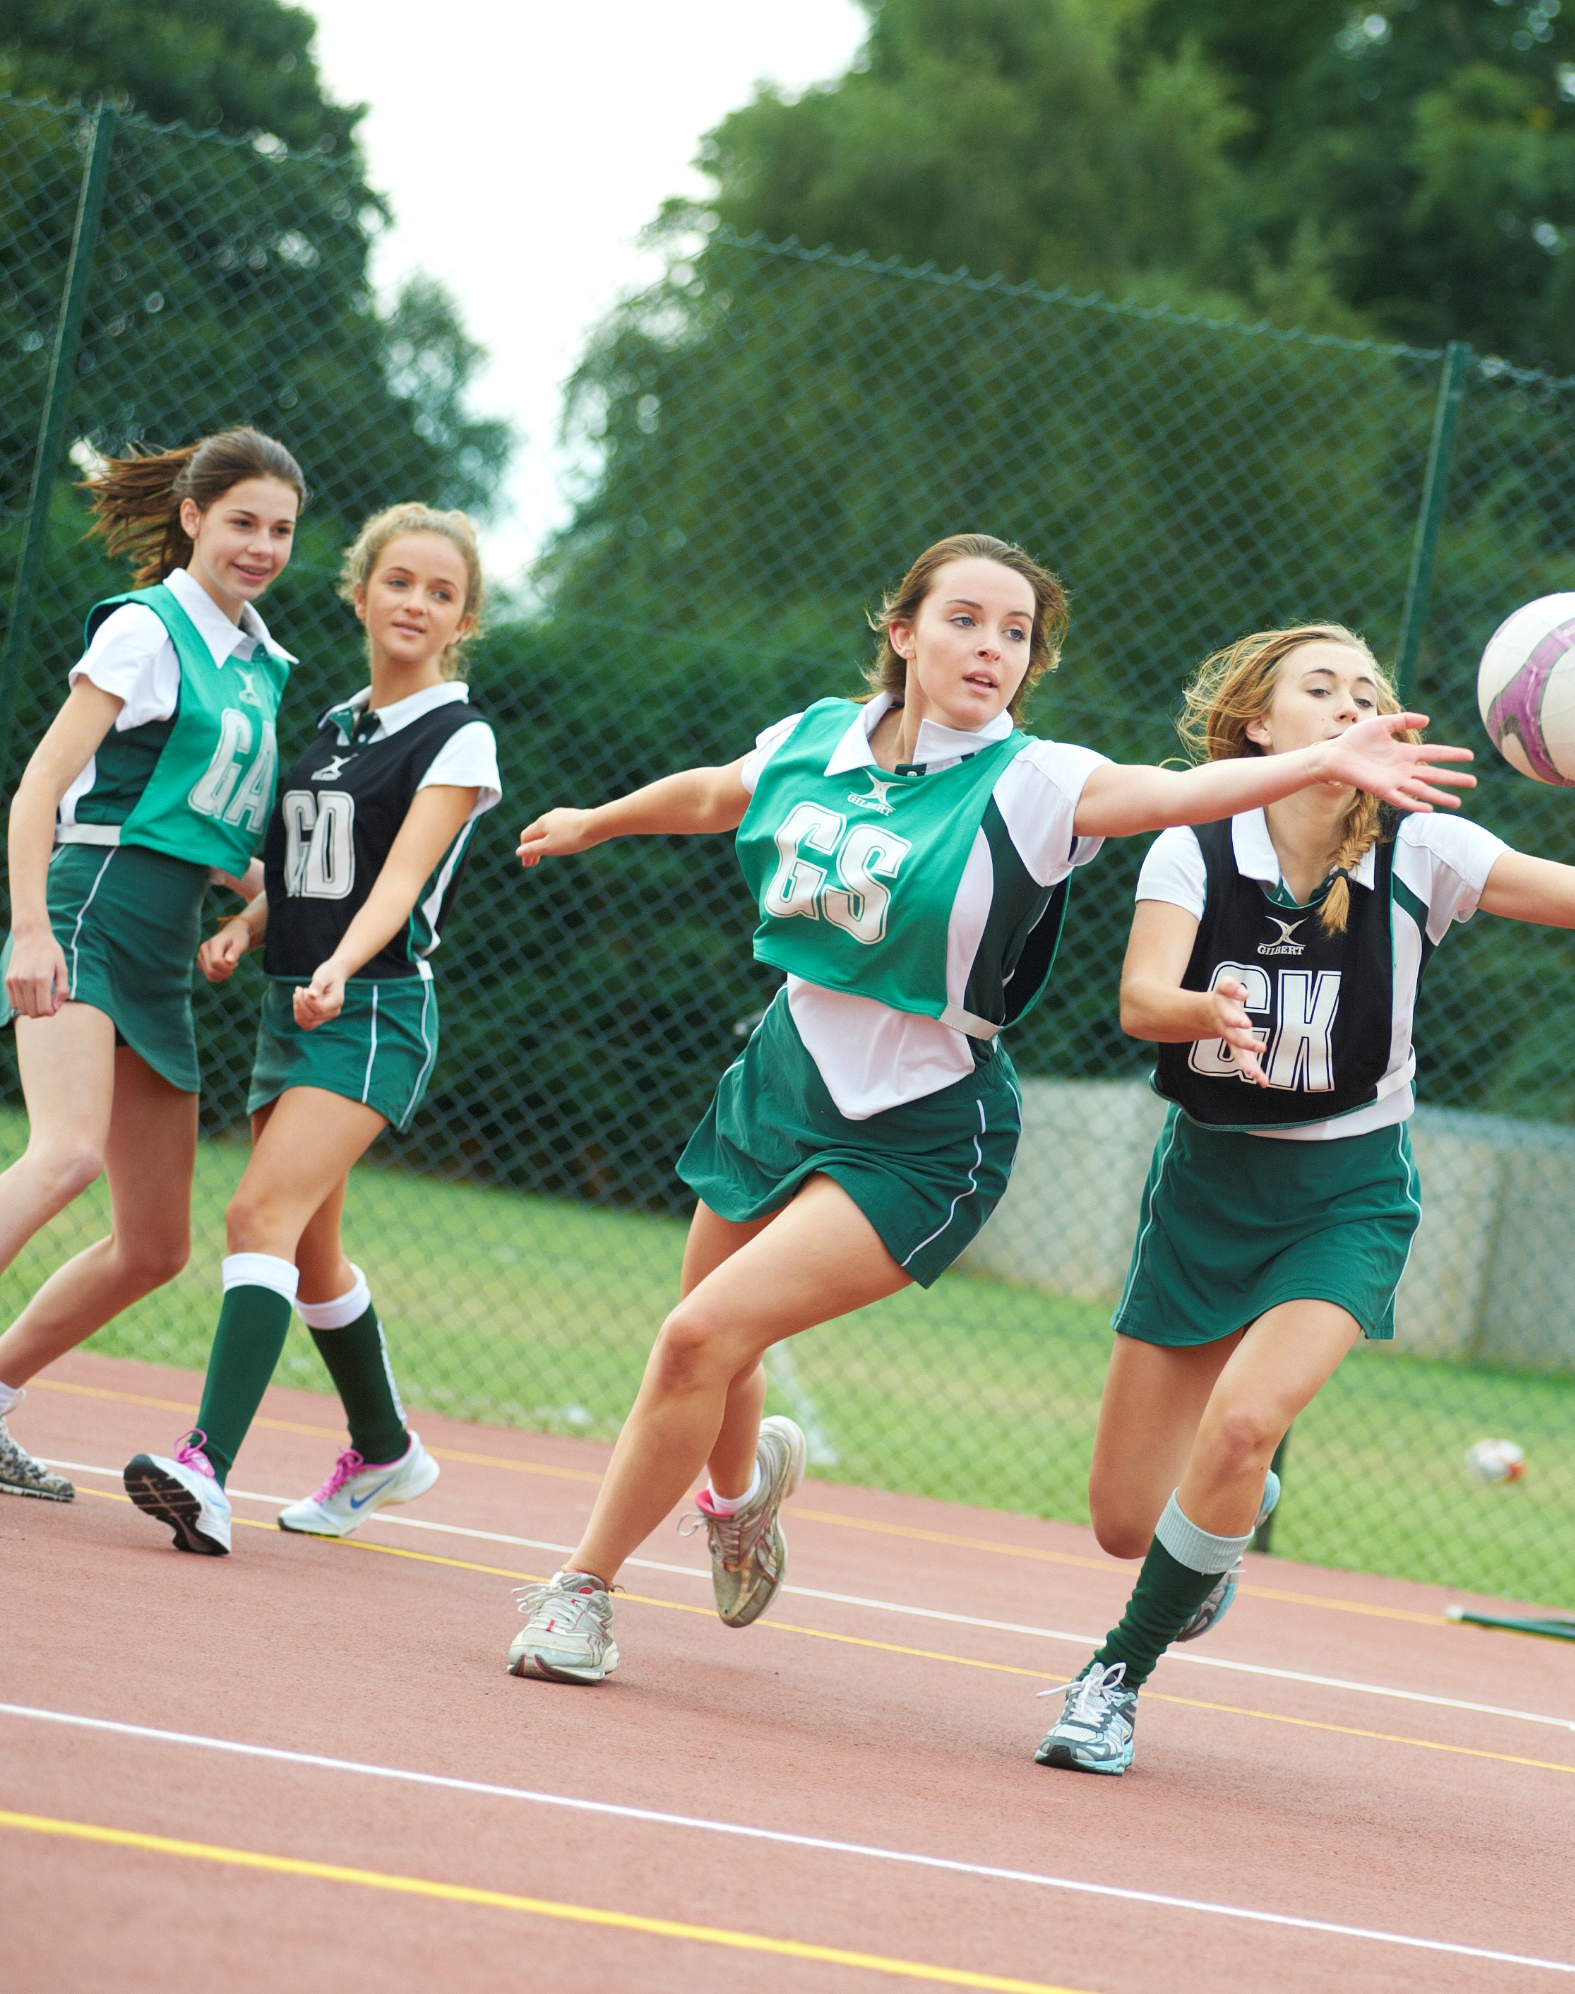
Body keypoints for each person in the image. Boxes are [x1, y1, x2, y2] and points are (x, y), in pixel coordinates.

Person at [500, 535, 1476, 1684]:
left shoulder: (1037, 781)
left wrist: (1328, 760)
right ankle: (739, 1495)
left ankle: (581, 1591)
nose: (992, 647)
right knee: (711, 1339)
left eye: (1016, 634)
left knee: (698, 1335)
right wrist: (598, 818)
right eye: (966, 619)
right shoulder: (816, 735)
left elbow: (1177, 790)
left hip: (922, 1124)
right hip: (781, 1071)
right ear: (903, 632)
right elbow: (723, 793)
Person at [1033, 622, 1575, 1775]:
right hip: (1205, 1188)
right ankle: (1221, 1513)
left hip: (1346, 1193)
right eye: (1315, 687)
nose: (1344, 702)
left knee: (1236, 1421)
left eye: (1363, 689)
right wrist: (1204, 1012)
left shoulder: (1419, 849)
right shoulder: (1193, 845)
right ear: (1259, 727)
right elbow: (1137, 997)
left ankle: (1110, 1679)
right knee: (1126, 1518)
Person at [121, 504, 501, 1555]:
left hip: (370, 1009)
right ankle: (384, 1449)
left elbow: (398, 880)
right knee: (313, 1255)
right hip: (294, 1005)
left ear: (462, 617)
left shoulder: (456, 733)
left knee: (255, 1214)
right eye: (398, 581)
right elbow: (302, 870)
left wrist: (336, 962)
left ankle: (205, 1466)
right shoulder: (335, 723)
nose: (414, 603)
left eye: (438, 591)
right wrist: (249, 922)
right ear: (361, 589)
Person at [0, 429, 304, 1502]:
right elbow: (40, 789)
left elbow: (205, 825)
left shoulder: (260, 664)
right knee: (67, 1153)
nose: (260, 545)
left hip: (166, 939)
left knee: (154, 1244)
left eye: (279, 528)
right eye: (241, 522)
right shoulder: (146, 629)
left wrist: (263, 895)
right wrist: (30, 929)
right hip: (88, 908)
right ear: (191, 518)